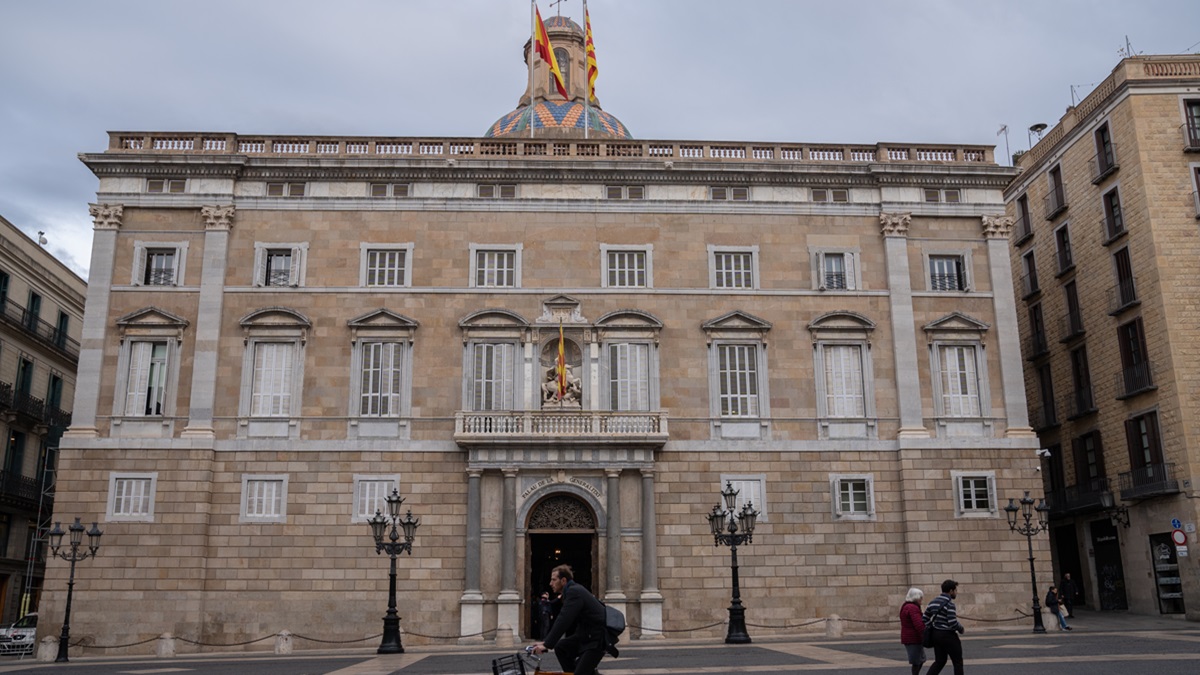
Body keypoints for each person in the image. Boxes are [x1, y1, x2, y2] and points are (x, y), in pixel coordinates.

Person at [532, 565, 608, 675]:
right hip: (586, 636)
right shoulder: (570, 592)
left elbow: (564, 619)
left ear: (563, 580)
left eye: (553, 579)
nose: (550, 583)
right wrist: (546, 641)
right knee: (561, 648)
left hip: (597, 639)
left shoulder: (574, 592)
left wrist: (547, 644)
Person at [922, 579, 965, 675]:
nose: (956, 593)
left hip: (936, 635)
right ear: (951, 591)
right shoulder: (950, 604)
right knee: (958, 662)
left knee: (939, 661)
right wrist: (961, 629)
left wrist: (932, 626)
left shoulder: (933, 602)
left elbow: (925, 618)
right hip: (948, 636)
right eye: (955, 590)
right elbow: (952, 622)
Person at [898, 587, 927, 675]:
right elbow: (918, 623)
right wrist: (925, 634)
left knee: (920, 659)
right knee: (917, 661)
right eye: (920, 598)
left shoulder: (906, 606)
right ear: (916, 598)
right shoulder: (912, 608)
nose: (921, 600)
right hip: (913, 638)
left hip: (910, 637)